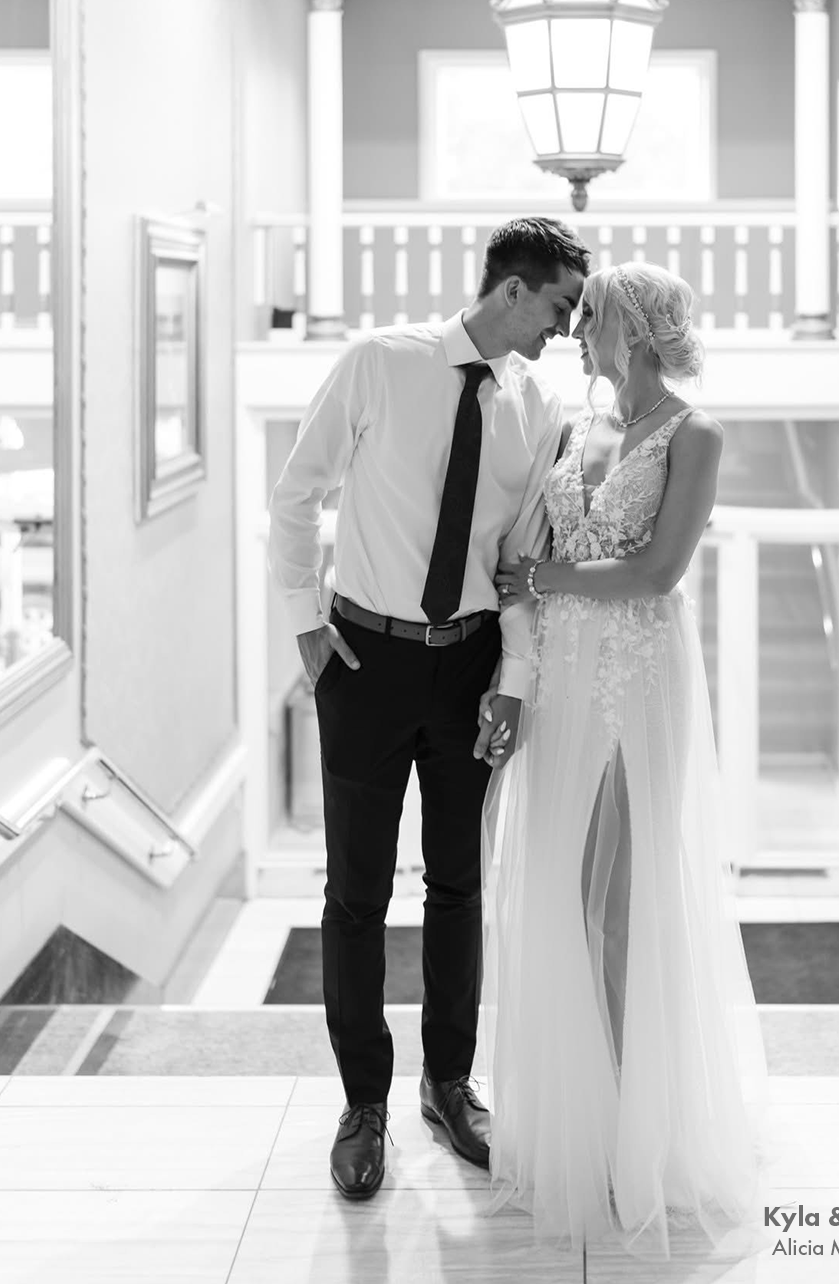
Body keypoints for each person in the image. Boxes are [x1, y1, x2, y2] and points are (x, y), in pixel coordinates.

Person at [267, 217, 590, 1200]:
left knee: (457, 886)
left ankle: (448, 1086)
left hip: (470, 668)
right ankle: (362, 1103)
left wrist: (515, 679)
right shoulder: (379, 363)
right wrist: (305, 625)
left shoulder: (538, 406)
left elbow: (518, 560)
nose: (565, 328)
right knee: (356, 894)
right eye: (558, 307)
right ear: (511, 291)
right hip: (363, 662)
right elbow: (295, 494)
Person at [483, 261, 767, 1257]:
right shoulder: (577, 428)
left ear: (634, 331)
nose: (574, 332)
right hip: (562, 675)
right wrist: (515, 666)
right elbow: (530, 549)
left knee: (619, 904)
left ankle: (636, 1129)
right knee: (558, 891)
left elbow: (655, 570)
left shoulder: (695, 435)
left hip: (636, 675)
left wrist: (542, 576)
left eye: (590, 317)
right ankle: (581, 1109)